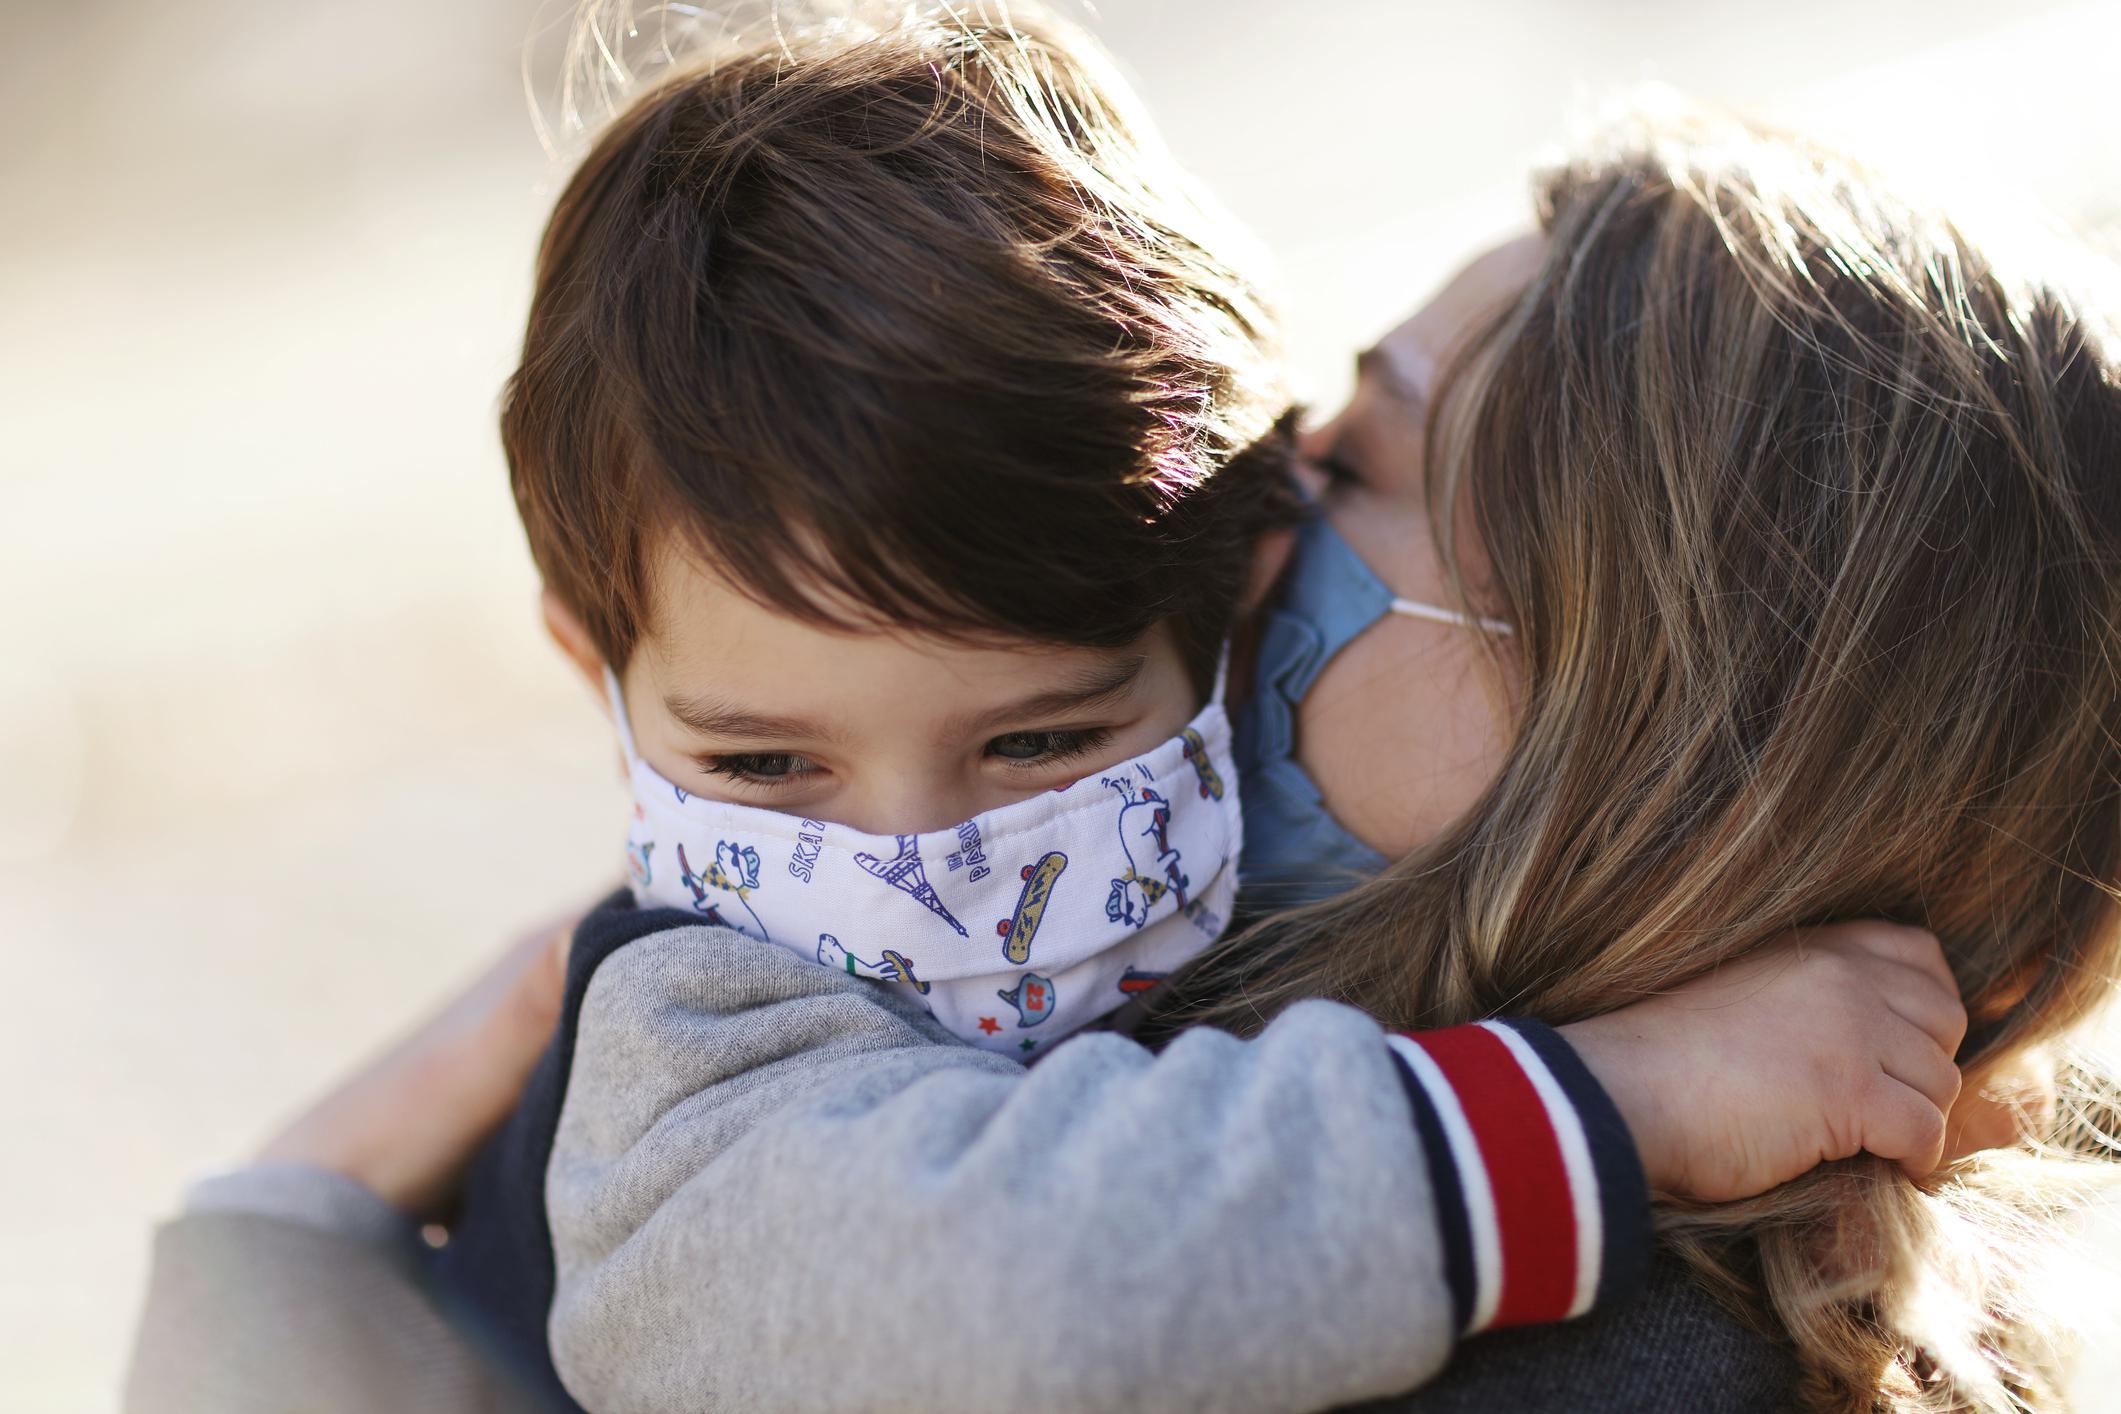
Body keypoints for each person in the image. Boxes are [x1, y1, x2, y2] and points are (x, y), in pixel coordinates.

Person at [124, 28, 2118, 1414]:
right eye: (764, 759)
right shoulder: (788, 1001)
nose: (1247, 545)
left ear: (1694, 733)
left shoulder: (1598, 1346)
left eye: (1344, 470)